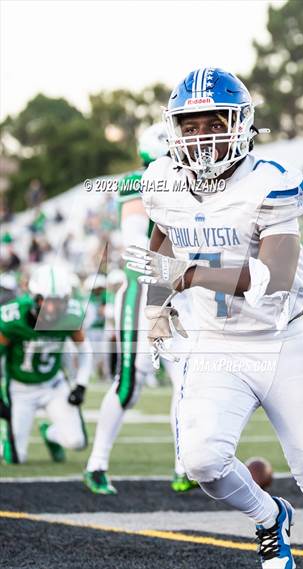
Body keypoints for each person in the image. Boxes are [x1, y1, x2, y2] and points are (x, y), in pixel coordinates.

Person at [124, 68, 303, 569]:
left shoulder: (271, 182)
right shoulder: (162, 181)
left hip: (280, 339)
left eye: (214, 124)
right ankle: (270, 516)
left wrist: (192, 275)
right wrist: (157, 304)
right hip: (215, 343)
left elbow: (273, 275)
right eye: (190, 126)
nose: (201, 137)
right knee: (202, 461)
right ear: (173, 130)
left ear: (241, 125)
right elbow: (161, 242)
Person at [84, 123, 198, 495]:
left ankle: (184, 467)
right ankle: (97, 464)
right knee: (129, 385)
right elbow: (136, 244)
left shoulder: (197, 182)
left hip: (181, 294)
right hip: (145, 291)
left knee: (188, 383)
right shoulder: (140, 181)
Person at [0, 264, 91, 464]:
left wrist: (81, 385)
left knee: (77, 441)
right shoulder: (12, 318)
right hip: (20, 388)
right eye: (47, 302)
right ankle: (7, 438)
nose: (53, 309)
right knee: (15, 458)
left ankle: (50, 434)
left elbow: (85, 350)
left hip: (53, 384)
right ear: (34, 298)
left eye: (59, 303)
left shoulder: (71, 315)